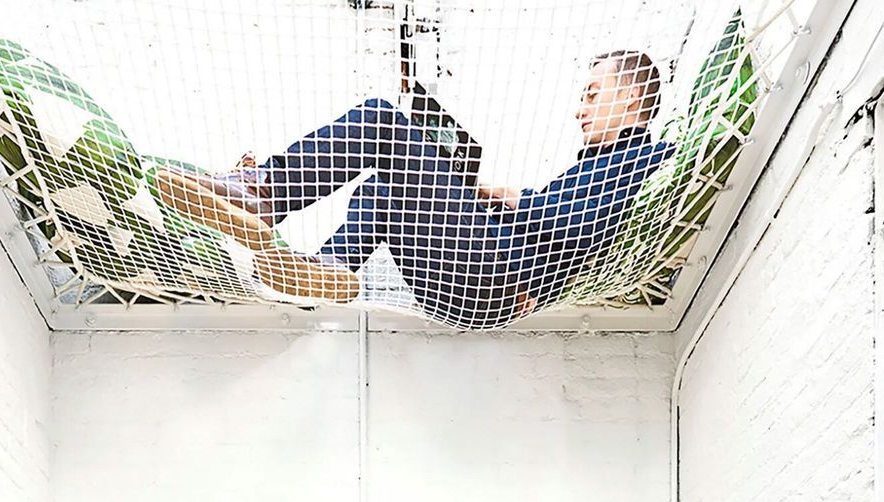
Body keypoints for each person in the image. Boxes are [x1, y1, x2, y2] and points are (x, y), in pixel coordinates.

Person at [155, 51, 674, 329]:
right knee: (382, 187)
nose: (580, 109)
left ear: (631, 97)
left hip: (496, 274)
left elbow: (576, 226)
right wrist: (478, 194)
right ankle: (332, 267)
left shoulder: (644, 157)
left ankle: (265, 193)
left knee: (381, 119)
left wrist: (513, 195)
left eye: (592, 94)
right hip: (463, 291)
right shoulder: (598, 163)